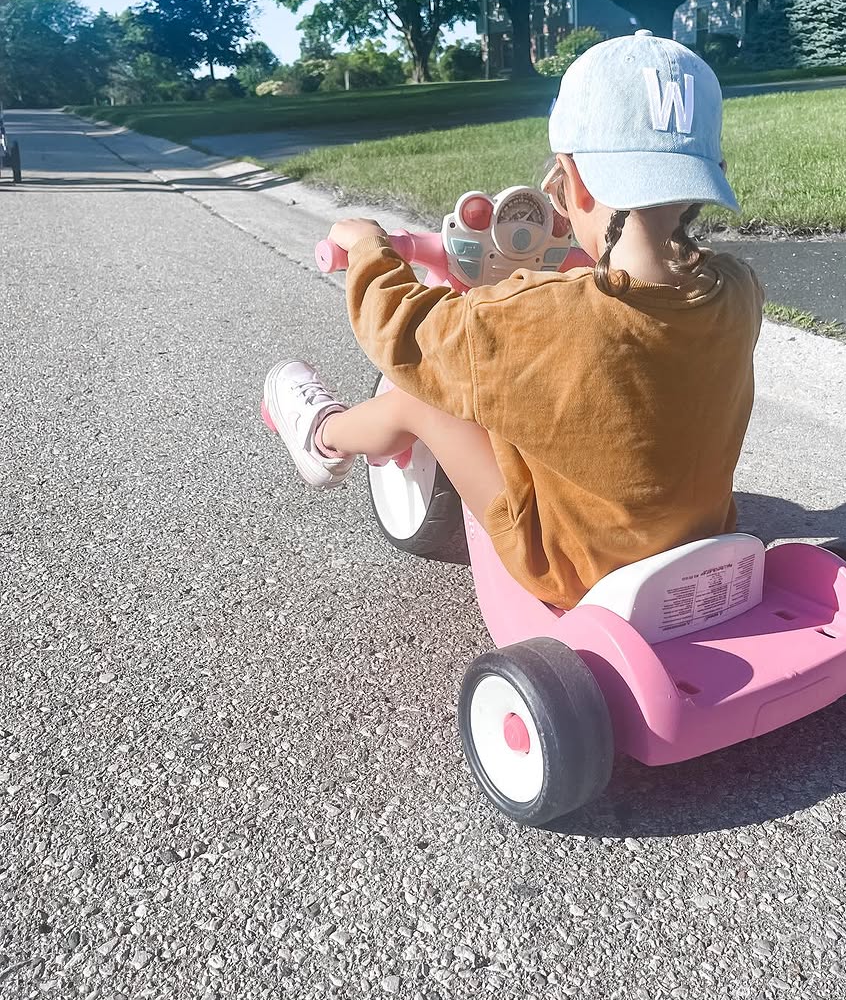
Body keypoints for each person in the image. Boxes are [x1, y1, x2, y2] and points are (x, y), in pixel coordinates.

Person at [263, 30, 764, 609]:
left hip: (575, 566)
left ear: (571, 181)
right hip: (699, 539)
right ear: (709, 173)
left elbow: (405, 333)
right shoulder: (737, 289)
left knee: (417, 395)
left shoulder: (538, 318)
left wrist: (374, 249)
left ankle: (321, 437)